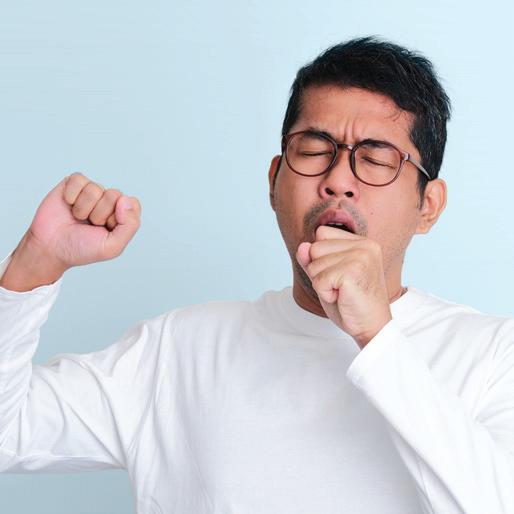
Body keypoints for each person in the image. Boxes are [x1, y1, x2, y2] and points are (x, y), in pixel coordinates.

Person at [0, 36, 513, 514]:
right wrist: (34, 263)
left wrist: (376, 336)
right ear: (274, 182)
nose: (338, 180)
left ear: (428, 206)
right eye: (313, 150)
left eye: (376, 160)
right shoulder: (179, 350)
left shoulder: (492, 356)